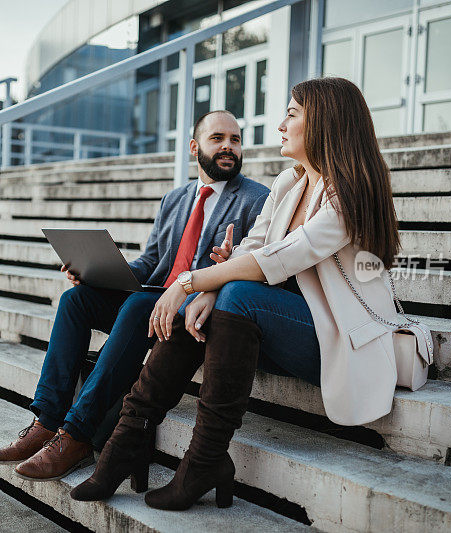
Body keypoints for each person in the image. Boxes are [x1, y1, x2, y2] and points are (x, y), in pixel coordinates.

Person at [70, 77, 404, 510]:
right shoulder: (289, 184)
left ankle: (204, 457)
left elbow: (282, 257)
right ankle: (125, 444)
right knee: (212, 302)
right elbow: (253, 246)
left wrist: (191, 281)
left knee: (232, 296)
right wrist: (205, 290)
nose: (281, 125)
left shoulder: (350, 193)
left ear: (323, 122)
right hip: (283, 327)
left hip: (340, 339)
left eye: (291, 114)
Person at [0, 110, 270, 483]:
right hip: (153, 297)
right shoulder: (176, 198)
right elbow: (152, 262)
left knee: (136, 305)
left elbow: (252, 265)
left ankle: (76, 435)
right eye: (218, 139)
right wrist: (98, 273)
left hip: (197, 307)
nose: (228, 147)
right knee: (77, 300)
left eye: (235, 139)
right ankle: (46, 420)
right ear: (194, 147)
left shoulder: (256, 199)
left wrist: (225, 265)